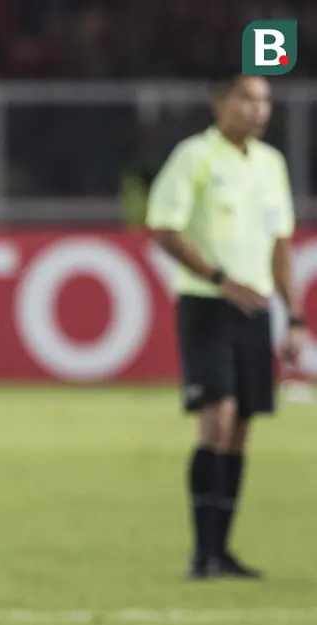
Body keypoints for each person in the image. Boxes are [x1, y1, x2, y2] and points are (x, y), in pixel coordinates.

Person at [146, 72, 304, 580]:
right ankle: (201, 553)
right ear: (220, 103)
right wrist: (219, 278)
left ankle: (222, 550)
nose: (258, 110)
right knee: (218, 415)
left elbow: (281, 244)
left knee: (240, 428)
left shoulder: (270, 164)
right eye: (247, 99)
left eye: (265, 101)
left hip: (255, 310)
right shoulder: (196, 157)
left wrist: (295, 315)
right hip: (207, 304)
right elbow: (164, 229)